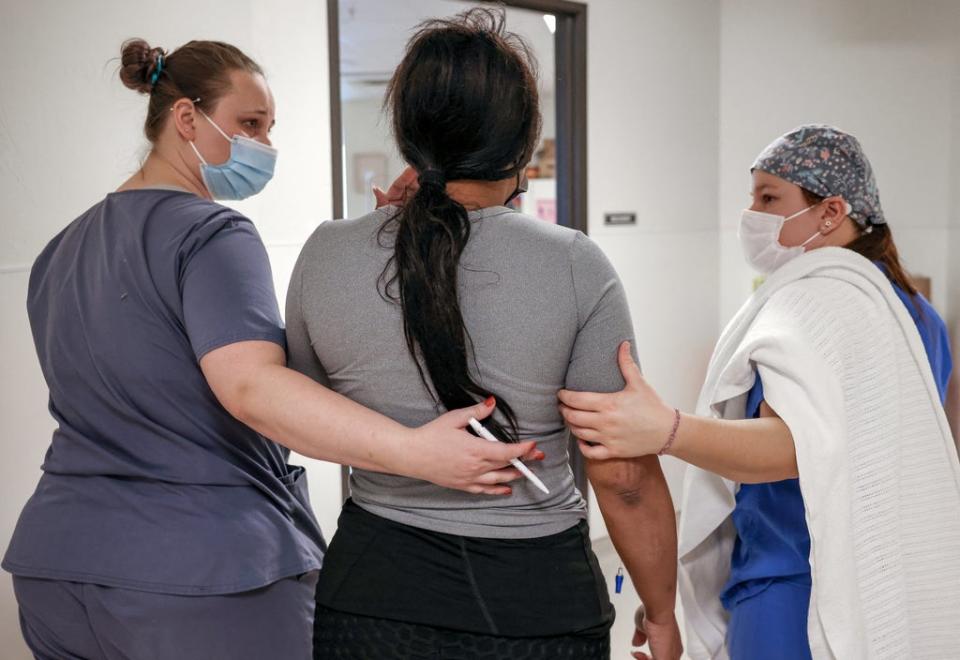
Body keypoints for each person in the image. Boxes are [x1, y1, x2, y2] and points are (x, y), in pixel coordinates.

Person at [3, 37, 543, 660]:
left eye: (269, 128)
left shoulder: (60, 250)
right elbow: (252, 387)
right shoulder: (212, 234)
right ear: (185, 119)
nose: (264, 146)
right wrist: (415, 452)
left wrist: (390, 242)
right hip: (199, 575)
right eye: (249, 124)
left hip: (55, 567)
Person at [286, 9, 682, 660]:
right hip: (537, 602)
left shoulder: (328, 252)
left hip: (372, 594)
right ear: (521, 143)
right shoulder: (575, 264)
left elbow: (304, 414)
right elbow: (624, 475)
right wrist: (662, 612)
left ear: (409, 132)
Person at [558, 125, 960, 658]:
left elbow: (789, 449)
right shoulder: (916, 316)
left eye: (770, 198)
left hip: (787, 585)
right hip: (877, 578)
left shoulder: (817, 306)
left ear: (831, 212)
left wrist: (665, 429)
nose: (752, 214)